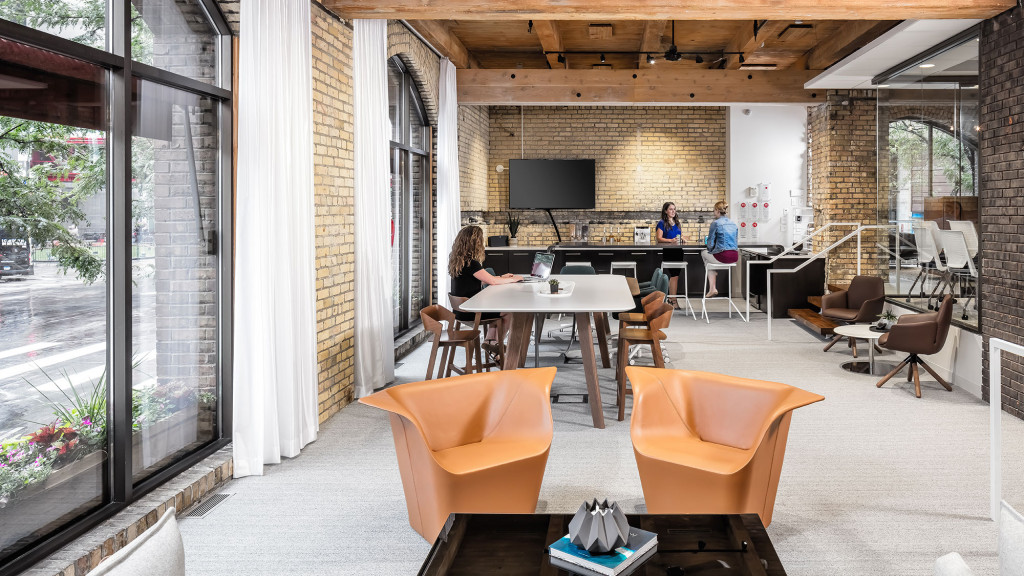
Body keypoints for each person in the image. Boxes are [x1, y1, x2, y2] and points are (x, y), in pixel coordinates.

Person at [448, 225, 522, 350]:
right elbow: (491, 281)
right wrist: (514, 279)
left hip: (460, 311)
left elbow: (481, 280)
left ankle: (489, 342)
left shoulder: (459, 260)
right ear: (475, 242)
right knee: (509, 312)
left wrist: (502, 277)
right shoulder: (471, 262)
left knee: (497, 309)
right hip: (471, 312)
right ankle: (495, 344)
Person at [702, 201, 739, 298]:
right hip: (734, 257)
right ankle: (712, 281)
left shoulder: (715, 223)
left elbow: (710, 243)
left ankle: (712, 286)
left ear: (718, 211)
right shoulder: (733, 224)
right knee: (709, 261)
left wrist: (712, 249)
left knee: (704, 253)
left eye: (714, 210)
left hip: (723, 256)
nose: (714, 212)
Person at [655, 202, 689, 305]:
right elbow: (659, 238)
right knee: (674, 275)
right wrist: (671, 241)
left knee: (676, 276)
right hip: (669, 251)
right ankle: (673, 300)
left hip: (678, 251)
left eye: (674, 209)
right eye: (670, 209)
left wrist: (683, 238)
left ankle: (672, 299)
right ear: (665, 211)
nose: (673, 211)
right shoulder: (662, 223)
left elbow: (679, 235)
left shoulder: (677, 222)